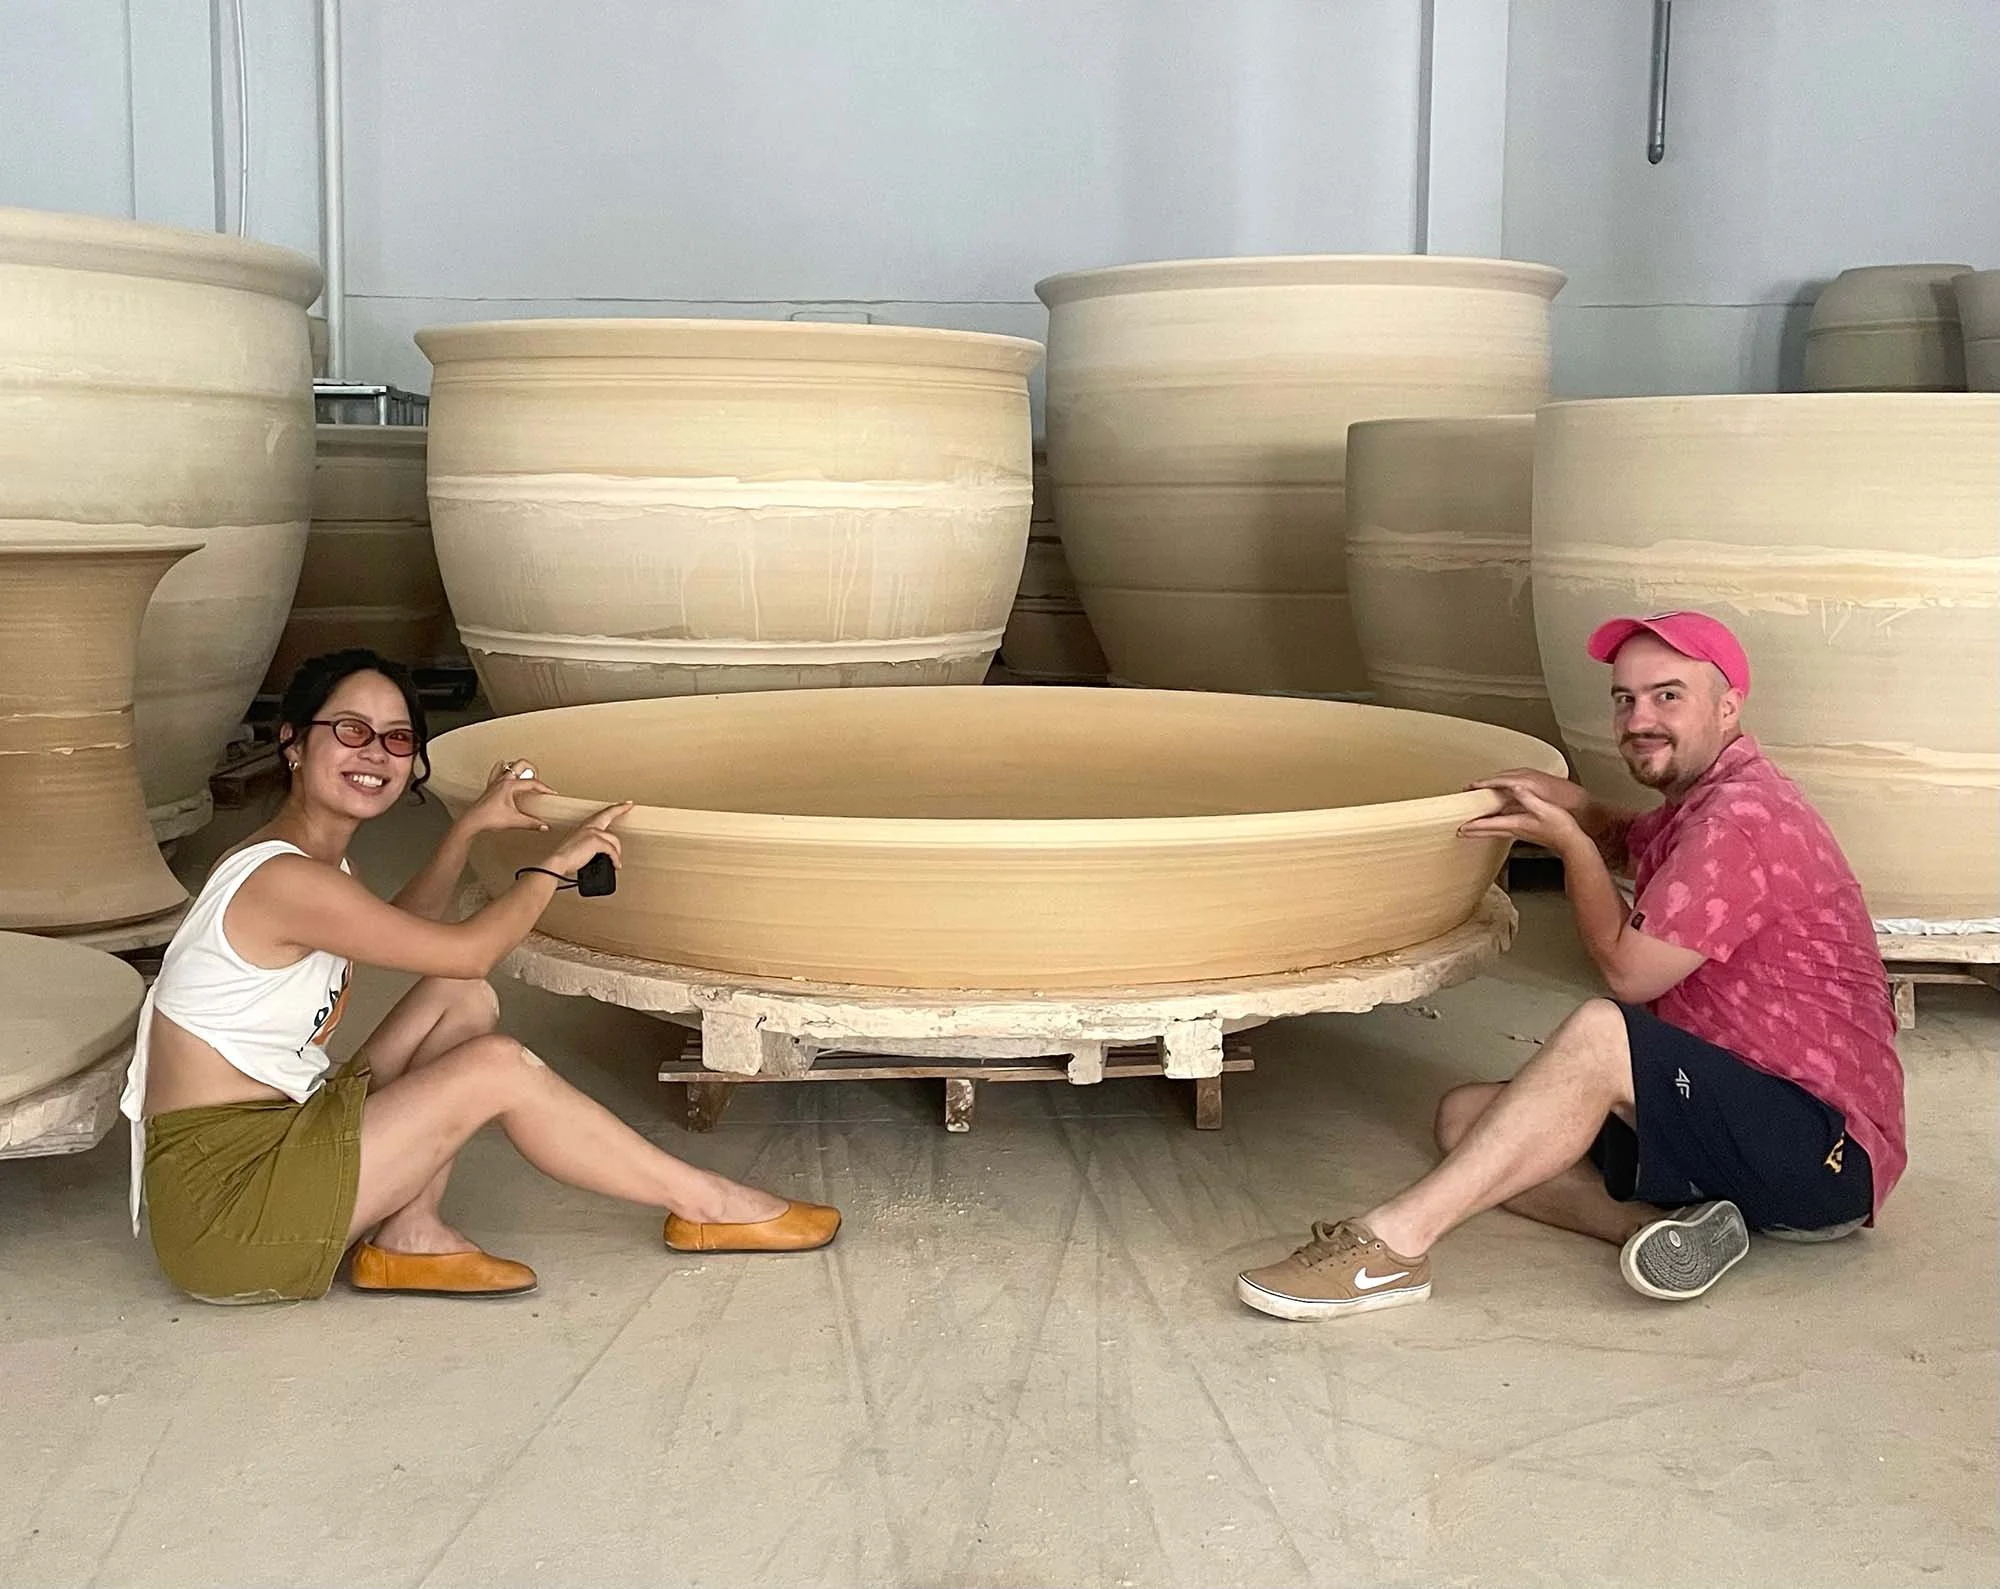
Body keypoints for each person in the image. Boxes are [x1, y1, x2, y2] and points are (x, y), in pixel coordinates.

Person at [1236, 610, 1904, 1321]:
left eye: (1667, 695)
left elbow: (1628, 974)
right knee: (1467, 1120)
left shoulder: (1739, 820)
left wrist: (1568, 845)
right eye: (1625, 698)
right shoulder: (1709, 797)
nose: (1639, 717)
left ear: (1729, 703)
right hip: (1730, 1109)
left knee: (1601, 1032)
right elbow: (1634, 840)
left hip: (1821, 1150)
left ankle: (1390, 1246)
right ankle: (1660, 1230)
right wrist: (1578, 806)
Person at [119, 648, 839, 1305]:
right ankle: (708, 1203)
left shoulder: (306, 865)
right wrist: (549, 870)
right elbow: (462, 948)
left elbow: (402, 934)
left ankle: (409, 1236)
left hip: (277, 1140)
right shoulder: (284, 880)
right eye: (351, 730)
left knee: (460, 1000)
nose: (376, 753)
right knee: (496, 1064)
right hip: (231, 1212)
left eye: (397, 738)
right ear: (292, 742)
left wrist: (466, 832)